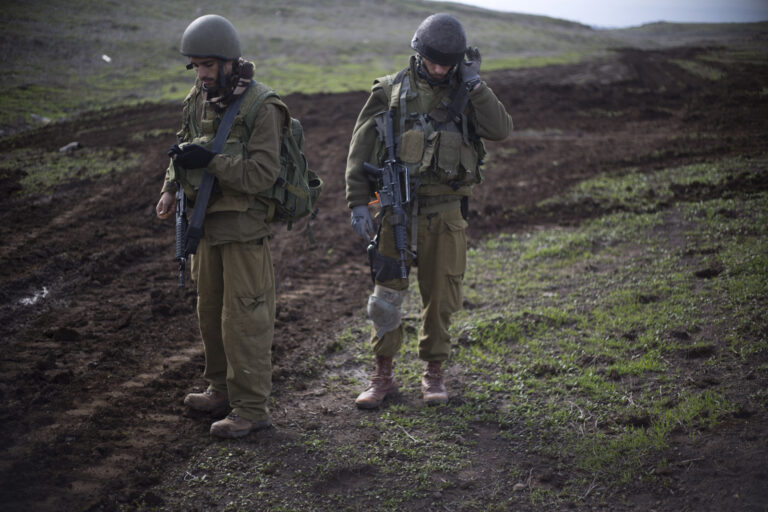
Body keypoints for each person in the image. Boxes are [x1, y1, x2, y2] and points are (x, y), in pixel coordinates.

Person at [345, 13, 513, 408]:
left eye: (447, 65)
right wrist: (357, 202)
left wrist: (474, 83)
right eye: (433, 62)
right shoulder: (389, 91)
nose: (439, 70)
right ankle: (382, 375)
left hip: (447, 213)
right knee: (386, 298)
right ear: (418, 55)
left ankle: (433, 374)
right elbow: (359, 152)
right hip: (396, 212)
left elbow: (501, 128)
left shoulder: (467, 92)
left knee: (441, 298)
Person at [155, 14, 288, 438]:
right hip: (204, 225)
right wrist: (171, 186)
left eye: (208, 66)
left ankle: (251, 408)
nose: (201, 74)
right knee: (209, 310)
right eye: (195, 66)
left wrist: (210, 161)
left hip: (245, 230)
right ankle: (219, 390)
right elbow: (183, 144)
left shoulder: (261, 106)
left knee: (244, 318)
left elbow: (263, 173)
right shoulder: (197, 97)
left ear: (229, 62)